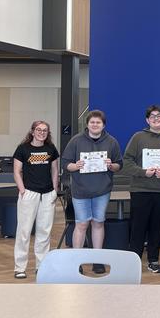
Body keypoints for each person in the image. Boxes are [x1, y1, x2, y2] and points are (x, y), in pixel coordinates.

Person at [61, 110, 123, 274]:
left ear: (103, 125)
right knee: (81, 224)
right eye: (92, 122)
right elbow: (65, 162)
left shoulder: (111, 142)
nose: (95, 125)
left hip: (102, 190)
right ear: (87, 124)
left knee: (98, 223)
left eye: (98, 122)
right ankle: (77, 261)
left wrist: (111, 165)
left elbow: (119, 165)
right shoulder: (76, 141)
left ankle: (98, 260)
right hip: (80, 190)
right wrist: (75, 166)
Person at [122, 105, 160, 274]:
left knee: (157, 227)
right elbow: (127, 161)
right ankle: (133, 263)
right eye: (152, 116)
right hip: (140, 189)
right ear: (147, 120)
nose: (156, 119)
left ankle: (153, 260)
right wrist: (143, 172)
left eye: (159, 116)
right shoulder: (138, 137)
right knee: (138, 227)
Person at [12, 120, 60, 279]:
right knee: (24, 231)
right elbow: (17, 171)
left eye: (45, 130)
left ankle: (42, 266)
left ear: (48, 133)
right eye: (38, 130)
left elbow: (55, 170)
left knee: (44, 232)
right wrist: (22, 190)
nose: (41, 132)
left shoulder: (51, 148)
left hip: (47, 194)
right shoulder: (22, 149)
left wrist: (54, 189)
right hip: (29, 193)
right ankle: (19, 267)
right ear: (32, 132)